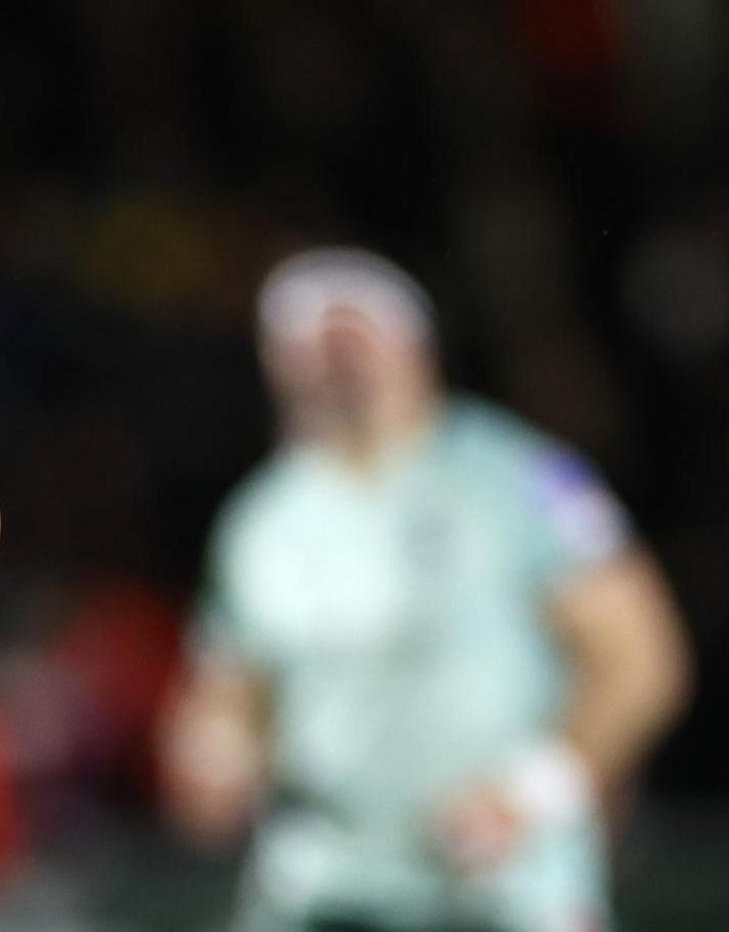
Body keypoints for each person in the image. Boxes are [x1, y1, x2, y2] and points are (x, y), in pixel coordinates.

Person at [158, 248, 689, 932]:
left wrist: (534, 792)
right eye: (307, 336)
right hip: (326, 885)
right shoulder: (261, 520)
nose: (332, 354)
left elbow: (642, 658)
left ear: (416, 343)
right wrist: (211, 757)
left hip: (505, 883)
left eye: (352, 329)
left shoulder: (519, 477)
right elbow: (228, 693)